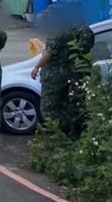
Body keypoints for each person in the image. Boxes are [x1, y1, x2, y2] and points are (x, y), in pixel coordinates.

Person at [31, 7, 95, 136]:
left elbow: (49, 53)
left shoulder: (58, 31)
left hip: (54, 76)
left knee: (48, 108)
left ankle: (60, 133)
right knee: (64, 106)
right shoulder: (68, 29)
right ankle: (67, 133)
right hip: (64, 74)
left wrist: (37, 66)